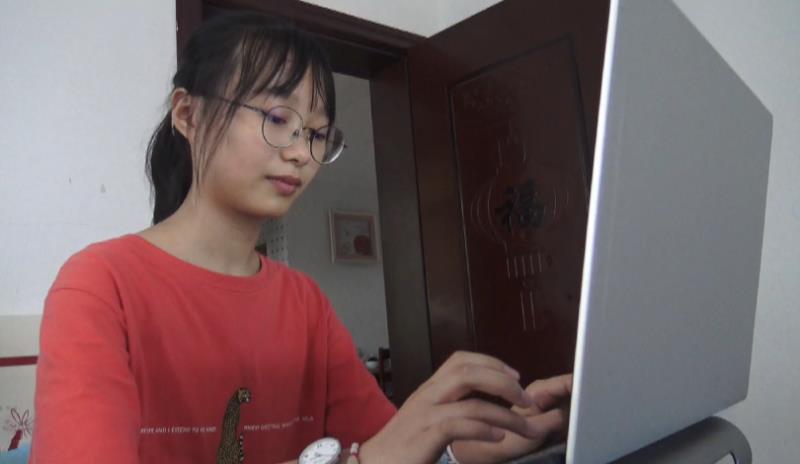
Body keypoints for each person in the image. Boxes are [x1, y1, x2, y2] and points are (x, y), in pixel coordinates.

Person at [30, 12, 572, 464]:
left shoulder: (304, 303)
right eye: (276, 117)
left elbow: (392, 446)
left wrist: (490, 434)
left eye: (315, 133)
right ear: (188, 115)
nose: (299, 153)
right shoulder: (100, 285)